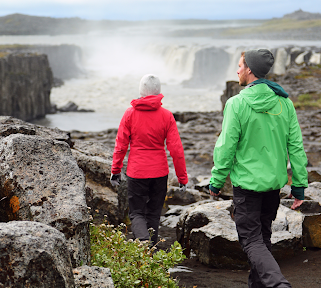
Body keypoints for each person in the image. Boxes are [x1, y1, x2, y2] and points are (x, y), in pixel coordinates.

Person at [208, 49, 308, 288]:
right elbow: (296, 147)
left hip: (248, 188)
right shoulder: (285, 103)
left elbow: (226, 147)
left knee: (251, 242)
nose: (237, 70)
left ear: (250, 70)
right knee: (262, 240)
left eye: (240, 65)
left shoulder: (237, 104)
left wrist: (216, 181)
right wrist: (299, 185)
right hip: (272, 188)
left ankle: (278, 284)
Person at [110, 74, 188, 245]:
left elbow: (121, 145)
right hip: (159, 172)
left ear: (141, 91)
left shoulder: (129, 114)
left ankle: (143, 243)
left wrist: (115, 170)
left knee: (136, 212)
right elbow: (176, 150)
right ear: (159, 92)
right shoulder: (166, 116)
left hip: (137, 172)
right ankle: (150, 249)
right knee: (153, 213)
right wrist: (182, 178)